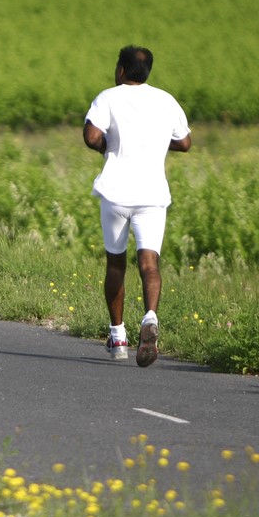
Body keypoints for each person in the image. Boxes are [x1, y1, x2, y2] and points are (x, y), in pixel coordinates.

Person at [82, 45, 191, 367]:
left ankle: (117, 336)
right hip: (153, 195)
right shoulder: (166, 100)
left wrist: (108, 147)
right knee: (149, 263)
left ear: (120, 70)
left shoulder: (108, 97)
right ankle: (150, 318)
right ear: (148, 72)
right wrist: (155, 142)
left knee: (116, 264)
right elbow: (184, 143)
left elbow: (90, 137)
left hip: (116, 193)